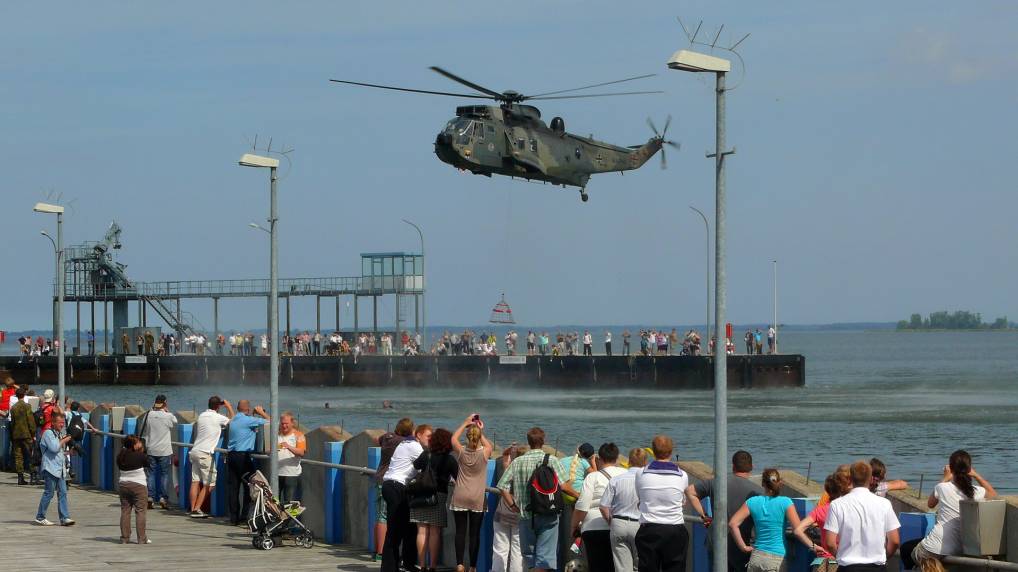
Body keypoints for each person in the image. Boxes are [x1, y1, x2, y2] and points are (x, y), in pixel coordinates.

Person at [497, 427, 576, 572]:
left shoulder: (517, 462)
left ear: (529, 442)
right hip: (548, 514)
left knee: (530, 558)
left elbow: (502, 486)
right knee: (544, 559)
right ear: (543, 441)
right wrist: (579, 496)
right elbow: (564, 486)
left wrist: (512, 505)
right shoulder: (551, 460)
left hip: (525, 515)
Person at [904, 450, 997, 572]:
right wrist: (976, 475)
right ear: (969, 469)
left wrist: (945, 478)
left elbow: (930, 503)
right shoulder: (976, 491)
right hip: (962, 547)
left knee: (906, 550)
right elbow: (993, 494)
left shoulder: (942, 487)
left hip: (935, 547)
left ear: (951, 469)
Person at [686, 450, 765, 572]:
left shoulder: (717, 483)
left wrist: (704, 515)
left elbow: (690, 491)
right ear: (751, 467)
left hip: (717, 541)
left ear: (733, 466)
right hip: (743, 544)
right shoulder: (757, 492)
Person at [634, 435, 702, 572]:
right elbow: (683, 501)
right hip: (674, 530)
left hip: (649, 530)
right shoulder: (682, 475)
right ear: (671, 451)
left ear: (653, 451)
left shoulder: (641, 473)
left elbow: (640, 497)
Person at [824, 461, 901, 572]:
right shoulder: (884, 504)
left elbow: (830, 543)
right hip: (877, 567)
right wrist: (885, 556)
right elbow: (894, 541)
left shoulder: (837, 504)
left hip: (848, 567)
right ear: (870, 479)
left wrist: (840, 556)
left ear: (850, 479)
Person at [729, 469, 801, 572]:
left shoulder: (752, 502)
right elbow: (798, 529)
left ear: (763, 483)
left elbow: (732, 524)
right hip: (776, 558)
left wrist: (743, 547)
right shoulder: (786, 502)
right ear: (779, 482)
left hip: (757, 557)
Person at [381, 422, 430, 572]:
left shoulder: (405, 443)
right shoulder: (415, 447)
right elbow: (427, 463)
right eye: (428, 436)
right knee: (395, 530)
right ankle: (389, 568)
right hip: (397, 487)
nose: (430, 439)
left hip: (392, 485)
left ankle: (407, 563)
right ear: (418, 435)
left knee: (409, 527)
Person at [573, 442, 628, 572]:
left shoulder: (593, 477)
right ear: (617, 458)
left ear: (600, 459)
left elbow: (582, 506)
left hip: (593, 528)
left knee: (598, 566)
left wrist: (573, 526)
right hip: (620, 525)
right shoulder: (626, 473)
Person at [451, 414, 494, 572]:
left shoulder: (461, 452)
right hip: (477, 498)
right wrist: (480, 431)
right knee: (474, 534)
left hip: (460, 495)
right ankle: (473, 567)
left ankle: (460, 564)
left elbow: (453, 439)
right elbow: (488, 444)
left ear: (468, 437)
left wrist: (465, 423)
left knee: (460, 532)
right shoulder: (485, 452)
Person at [411, 427, 458, 572]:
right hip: (439, 495)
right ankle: (432, 566)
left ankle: (422, 565)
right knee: (435, 532)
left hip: (420, 494)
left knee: (422, 531)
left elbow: (416, 466)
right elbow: (458, 477)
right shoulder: (449, 459)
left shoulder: (426, 454)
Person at [600, 447, 648, 572]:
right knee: (641, 565)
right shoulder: (648, 481)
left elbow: (603, 506)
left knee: (622, 568)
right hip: (640, 525)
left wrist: (611, 522)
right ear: (645, 462)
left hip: (618, 523)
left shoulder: (616, 480)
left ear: (629, 461)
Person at [188, 396, 234, 518]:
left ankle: (192, 508)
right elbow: (233, 421)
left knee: (195, 482)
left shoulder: (202, 415)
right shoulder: (218, 417)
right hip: (205, 453)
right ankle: (197, 509)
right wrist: (228, 406)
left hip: (195, 451)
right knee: (210, 484)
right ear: (218, 406)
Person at [225, 399, 269, 523]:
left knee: (233, 488)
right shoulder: (249, 420)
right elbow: (272, 422)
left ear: (238, 408)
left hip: (231, 455)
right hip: (243, 457)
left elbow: (246, 426)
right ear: (248, 409)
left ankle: (233, 518)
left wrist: (253, 415)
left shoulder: (234, 420)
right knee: (249, 486)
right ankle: (245, 516)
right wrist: (261, 412)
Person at [793, 475, 843, 572]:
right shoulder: (845, 509)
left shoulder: (820, 510)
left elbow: (798, 531)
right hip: (839, 560)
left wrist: (813, 546)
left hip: (821, 562)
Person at [35, 410, 74, 526]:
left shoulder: (58, 434)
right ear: (53, 422)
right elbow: (54, 448)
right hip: (50, 468)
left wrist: (68, 453)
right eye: (59, 423)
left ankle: (64, 518)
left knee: (63, 493)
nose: (62, 425)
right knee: (49, 493)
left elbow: (58, 452)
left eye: (63, 423)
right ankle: (40, 516)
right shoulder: (48, 433)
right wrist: (65, 440)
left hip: (60, 469)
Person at [139, 394, 178, 510]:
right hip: (164, 450)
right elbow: (175, 422)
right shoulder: (168, 416)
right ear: (165, 403)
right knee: (164, 474)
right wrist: (167, 411)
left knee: (151, 474)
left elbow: (143, 426)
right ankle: (163, 498)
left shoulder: (148, 414)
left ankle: (150, 497)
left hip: (151, 449)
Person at [560, 443, 595, 569]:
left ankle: (570, 551)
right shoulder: (584, 463)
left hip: (564, 495)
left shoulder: (562, 460)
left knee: (568, 525)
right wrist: (593, 461)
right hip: (578, 496)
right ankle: (577, 547)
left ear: (577, 450)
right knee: (579, 525)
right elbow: (595, 475)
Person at [492, 443, 523, 572]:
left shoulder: (508, 468)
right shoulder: (526, 473)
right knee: (517, 550)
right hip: (519, 513)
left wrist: (510, 448)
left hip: (502, 511)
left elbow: (504, 455)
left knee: (500, 548)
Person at [117, 434, 150, 544]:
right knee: (140, 511)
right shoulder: (140, 456)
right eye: (138, 442)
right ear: (134, 445)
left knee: (125, 511)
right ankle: (141, 538)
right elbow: (147, 463)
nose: (140, 443)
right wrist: (142, 451)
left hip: (123, 485)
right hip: (139, 485)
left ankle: (125, 538)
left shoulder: (120, 456)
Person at [277, 411, 306, 504]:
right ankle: (276, 518)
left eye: (286, 424)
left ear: (292, 423)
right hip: (276, 474)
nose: (284, 426)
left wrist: (289, 447)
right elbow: (268, 451)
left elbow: (301, 452)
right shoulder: (276, 435)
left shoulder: (299, 435)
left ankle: (289, 519)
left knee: (289, 504)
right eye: (282, 423)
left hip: (291, 475)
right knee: (273, 503)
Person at [10, 387, 36, 485]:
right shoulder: (27, 406)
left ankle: (20, 478)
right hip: (26, 435)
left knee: (18, 457)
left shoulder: (13, 408)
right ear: (24, 395)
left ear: (16, 396)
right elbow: (31, 422)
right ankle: (33, 477)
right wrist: (33, 433)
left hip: (16, 435)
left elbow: (12, 423)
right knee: (30, 455)